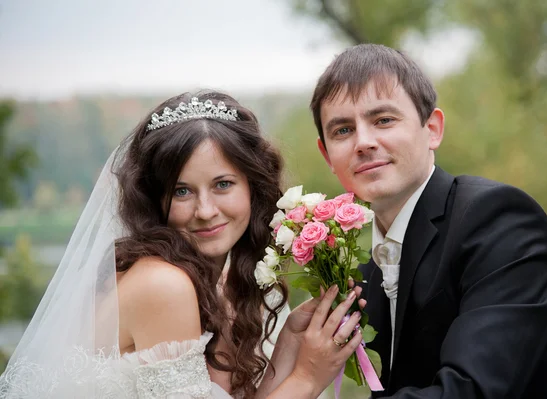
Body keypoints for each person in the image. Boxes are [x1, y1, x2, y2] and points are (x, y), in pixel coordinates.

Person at [0, 90, 364, 398]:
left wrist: (286, 347)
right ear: (154, 199)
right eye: (182, 191)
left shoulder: (214, 283)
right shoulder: (163, 285)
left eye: (223, 184)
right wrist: (306, 378)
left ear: (254, 188)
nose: (205, 211)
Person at [310, 43, 547, 398]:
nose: (364, 142)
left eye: (383, 120)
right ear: (326, 153)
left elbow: (471, 391)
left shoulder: (499, 221)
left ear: (432, 128)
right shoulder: (368, 265)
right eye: (342, 130)